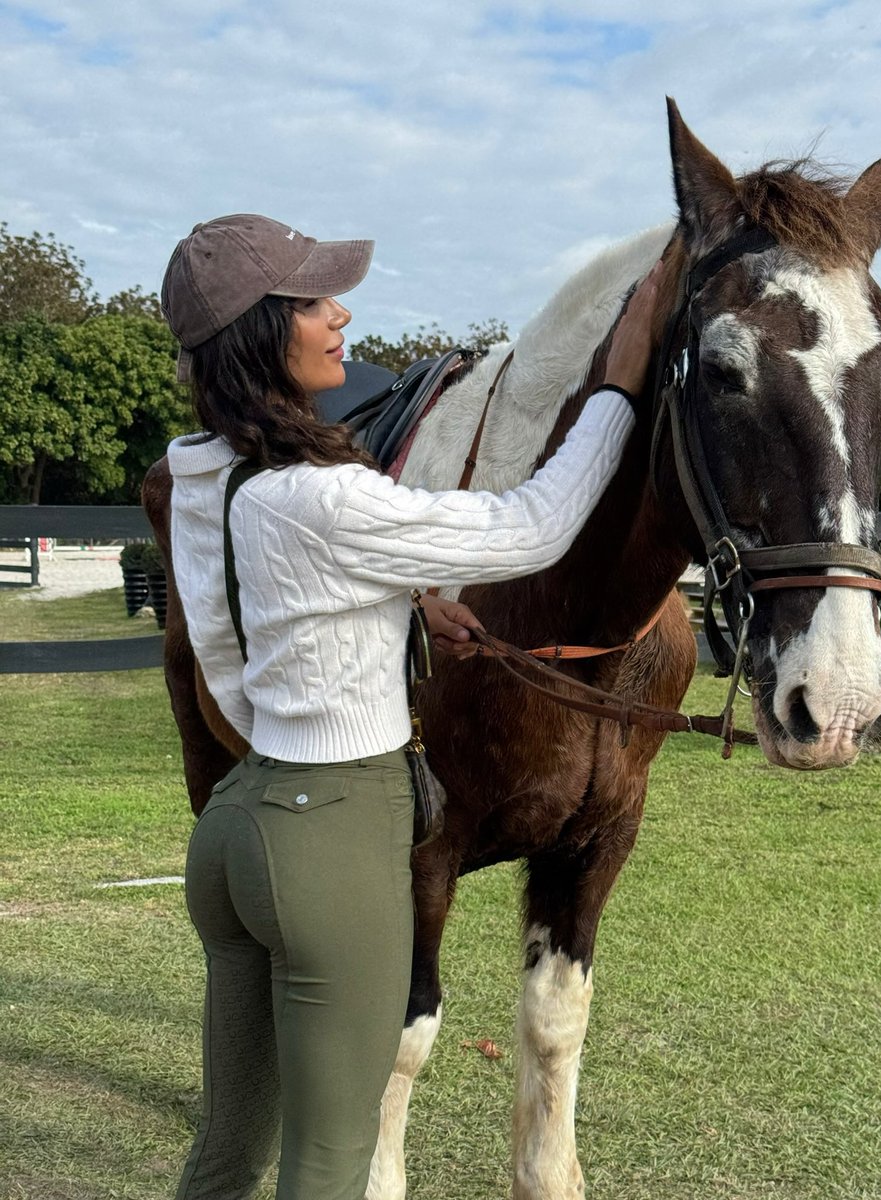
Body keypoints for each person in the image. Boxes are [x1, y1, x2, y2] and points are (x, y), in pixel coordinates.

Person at [161, 212, 660, 1200]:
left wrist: (401, 602)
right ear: (265, 336)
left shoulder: (212, 474)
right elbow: (538, 522)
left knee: (231, 1150)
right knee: (332, 1160)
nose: (340, 311)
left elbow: (256, 620)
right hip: (326, 841)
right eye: (311, 301)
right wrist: (618, 383)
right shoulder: (329, 498)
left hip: (237, 832)